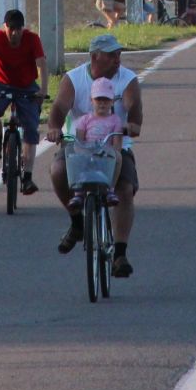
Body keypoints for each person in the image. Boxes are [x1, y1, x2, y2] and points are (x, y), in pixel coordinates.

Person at [47, 33, 144, 277]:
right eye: (111, 55)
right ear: (94, 57)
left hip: (113, 146)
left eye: (119, 54)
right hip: (80, 145)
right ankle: (77, 222)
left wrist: (132, 124)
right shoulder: (74, 78)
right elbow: (59, 106)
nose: (117, 59)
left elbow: (134, 106)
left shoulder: (128, 79)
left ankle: (120, 253)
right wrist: (54, 128)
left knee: (124, 190)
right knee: (58, 171)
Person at [0, 8, 49, 194]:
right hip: (2, 85)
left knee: (31, 128)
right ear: (5, 27)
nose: (15, 33)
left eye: (18, 29)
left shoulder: (32, 39)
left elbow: (42, 64)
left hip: (27, 86)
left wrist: (43, 90)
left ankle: (27, 177)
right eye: (11, 29)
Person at [68, 77, 125, 207]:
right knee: (75, 158)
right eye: (99, 99)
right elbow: (79, 141)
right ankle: (79, 192)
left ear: (112, 102)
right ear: (91, 100)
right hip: (87, 152)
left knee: (118, 157)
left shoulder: (115, 120)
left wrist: (113, 152)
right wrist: (83, 152)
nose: (102, 103)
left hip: (105, 153)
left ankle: (111, 189)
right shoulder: (84, 120)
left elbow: (117, 144)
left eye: (106, 100)